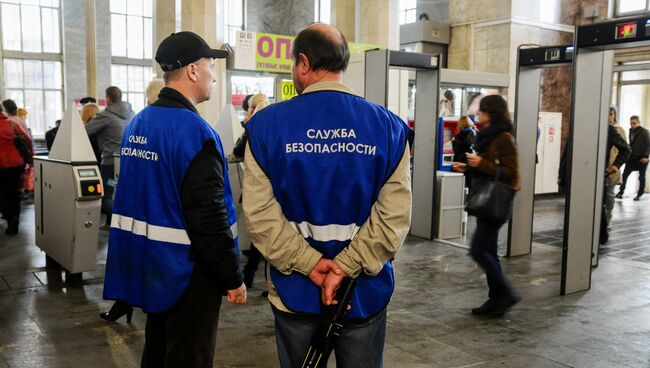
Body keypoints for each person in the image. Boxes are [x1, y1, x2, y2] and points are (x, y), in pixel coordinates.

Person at [243, 23, 413, 368]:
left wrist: (311, 265)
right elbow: (394, 217)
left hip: (296, 291)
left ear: (303, 63)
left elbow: (259, 215)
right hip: (364, 291)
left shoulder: (265, 127)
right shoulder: (389, 127)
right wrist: (346, 267)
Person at [102, 31, 246, 367]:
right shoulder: (196, 134)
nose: (213, 74)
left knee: (157, 351)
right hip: (189, 275)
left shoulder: (139, 123)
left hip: (151, 266)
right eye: (210, 65)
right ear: (193, 71)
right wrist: (231, 277)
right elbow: (209, 218)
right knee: (188, 357)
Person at [100, 79, 165, 324]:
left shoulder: (137, 124)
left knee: (133, 255)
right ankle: (129, 303)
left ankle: (124, 302)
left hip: (133, 203)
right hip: (156, 210)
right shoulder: (160, 124)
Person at [452, 95, 520, 318]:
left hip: (496, 203)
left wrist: (482, 163)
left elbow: (511, 174)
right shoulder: (487, 137)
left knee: (478, 250)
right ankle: (496, 299)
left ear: (492, 113)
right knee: (489, 251)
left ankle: (507, 294)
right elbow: (490, 169)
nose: (478, 115)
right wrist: (468, 168)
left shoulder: (504, 138)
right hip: (486, 202)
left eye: (482, 111)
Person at [231, 93, 270, 290]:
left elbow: (238, 151)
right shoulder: (275, 125)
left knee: (257, 234)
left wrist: (246, 124)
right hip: (275, 191)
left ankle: (248, 276)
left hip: (256, 189)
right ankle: (255, 277)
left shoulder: (252, 128)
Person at [84, 87, 134, 230]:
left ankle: (115, 223)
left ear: (108, 99)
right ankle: (113, 222)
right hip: (127, 161)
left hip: (110, 163)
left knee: (107, 193)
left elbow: (85, 131)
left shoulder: (106, 115)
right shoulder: (132, 114)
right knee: (120, 190)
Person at [0, 104, 31, 234]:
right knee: (14, 193)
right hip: (16, 163)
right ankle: (15, 223)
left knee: (1, 194)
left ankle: (10, 217)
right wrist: (30, 158)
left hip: (1, 165)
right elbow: (28, 140)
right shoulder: (12, 124)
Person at [603, 107, 630, 226]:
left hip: (612, 167)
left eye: (612, 114)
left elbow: (625, 148)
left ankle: (608, 215)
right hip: (601, 166)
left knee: (609, 194)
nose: (610, 117)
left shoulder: (618, 130)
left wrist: (616, 165)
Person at [617, 115, 649, 201]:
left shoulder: (644, 132)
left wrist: (646, 157)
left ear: (638, 122)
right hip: (632, 158)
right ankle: (621, 192)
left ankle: (639, 194)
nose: (632, 125)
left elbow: (648, 145)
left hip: (642, 158)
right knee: (625, 174)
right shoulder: (631, 131)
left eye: (634, 123)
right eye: (631, 123)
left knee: (641, 177)